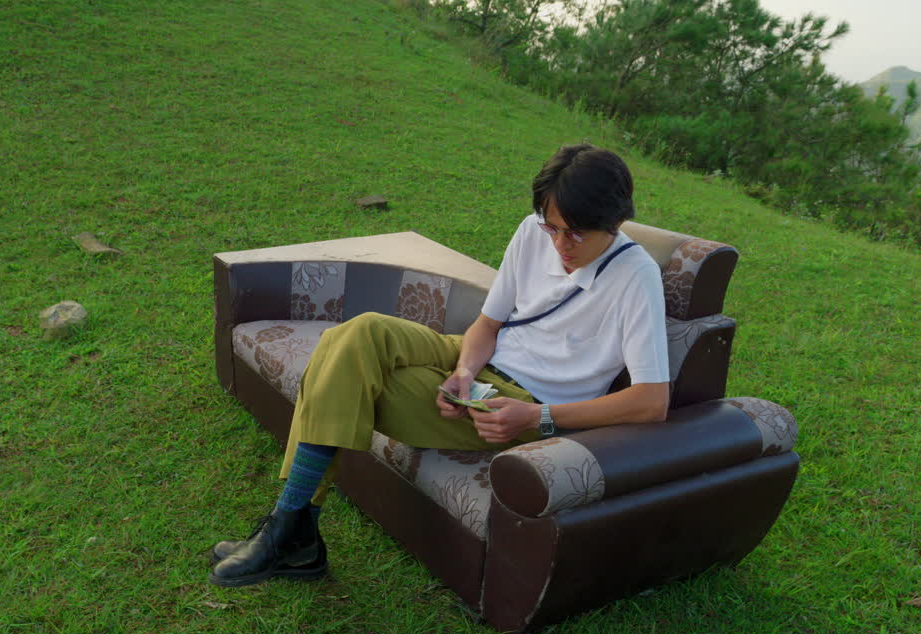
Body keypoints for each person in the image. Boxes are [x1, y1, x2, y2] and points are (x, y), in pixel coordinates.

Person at [209, 144, 670, 587]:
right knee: (357, 333)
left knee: (341, 372)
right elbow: (488, 324)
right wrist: (465, 371)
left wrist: (536, 417)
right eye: (553, 227)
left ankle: (289, 530)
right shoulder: (534, 232)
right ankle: (295, 534)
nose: (561, 245)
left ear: (616, 222)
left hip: (525, 404)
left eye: (576, 234)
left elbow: (652, 401)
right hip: (477, 362)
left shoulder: (636, 276)